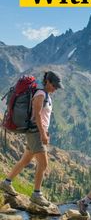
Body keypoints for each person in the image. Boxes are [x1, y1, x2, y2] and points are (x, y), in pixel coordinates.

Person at [0, 71, 63, 206]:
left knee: (25, 160)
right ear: (47, 82)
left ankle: (6, 183)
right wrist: (43, 134)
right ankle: (36, 194)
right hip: (35, 132)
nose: (56, 88)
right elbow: (38, 116)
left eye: (57, 86)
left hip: (38, 132)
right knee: (43, 164)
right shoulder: (40, 94)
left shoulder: (46, 95)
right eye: (54, 85)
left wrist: (45, 132)